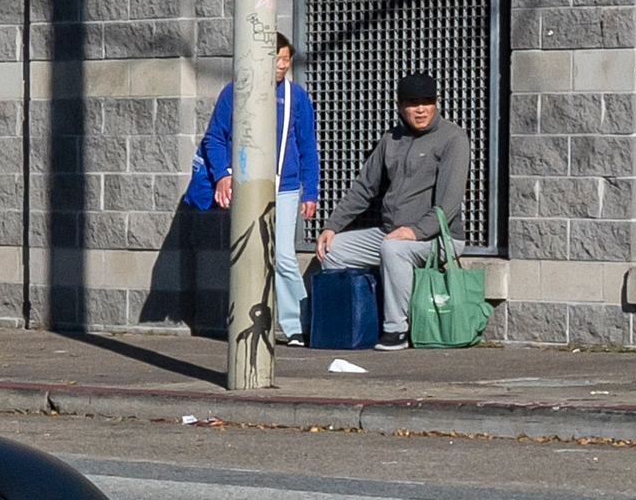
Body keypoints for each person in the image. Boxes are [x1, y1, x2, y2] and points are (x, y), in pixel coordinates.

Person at [315, 70, 474, 347]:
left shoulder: (453, 138)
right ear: (400, 107)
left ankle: (397, 330)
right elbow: (365, 187)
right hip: (391, 231)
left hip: (440, 238)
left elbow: (448, 204)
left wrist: (415, 231)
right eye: (413, 103)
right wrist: (332, 226)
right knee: (333, 251)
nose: (421, 109)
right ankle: (358, 323)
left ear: (436, 103)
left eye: (427, 101)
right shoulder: (392, 138)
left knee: (393, 249)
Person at [182, 33, 321, 343]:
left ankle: (300, 325)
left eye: (287, 59)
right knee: (249, 252)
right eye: (278, 59)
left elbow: (307, 145)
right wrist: (222, 175)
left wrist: (309, 190)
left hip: (283, 185)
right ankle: (248, 320)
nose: (284, 65)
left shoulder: (295, 97)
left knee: (282, 255)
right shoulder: (233, 93)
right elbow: (215, 138)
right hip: (246, 184)